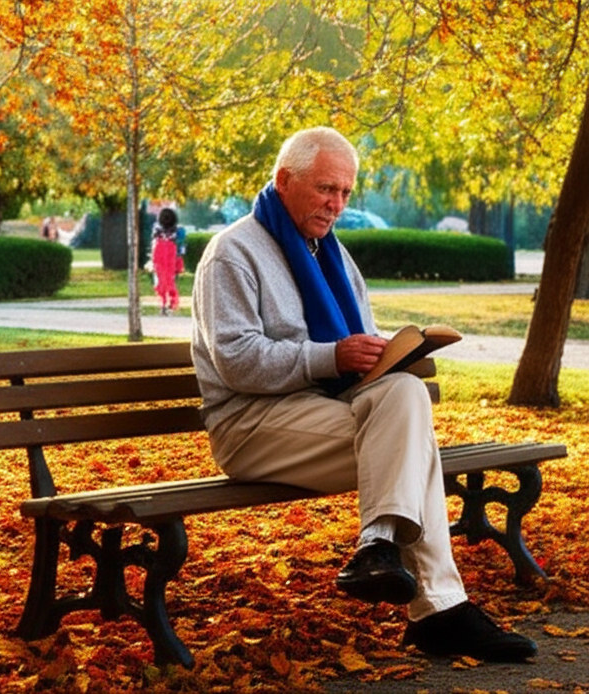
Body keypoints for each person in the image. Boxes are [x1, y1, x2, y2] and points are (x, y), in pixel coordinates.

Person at [190, 126, 536, 662]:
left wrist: (388, 357)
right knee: (411, 449)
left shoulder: (333, 255)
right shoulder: (232, 253)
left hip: (322, 413)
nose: (337, 205)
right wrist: (331, 356)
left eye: (346, 193)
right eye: (327, 189)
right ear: (285, 180)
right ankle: (440, 611)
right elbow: (236, 362)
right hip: (250, 426)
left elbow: (359, 349)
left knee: (404, 394)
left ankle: (378, 547)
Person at [151, 208, 183, 315]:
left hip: (159, 256)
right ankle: (171, 304)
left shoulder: (156, 230)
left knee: (160, 282)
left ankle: (163, 304)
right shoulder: (178, 231)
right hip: (171, 257)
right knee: (170, 281)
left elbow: (153, 244)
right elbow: (181, 248)